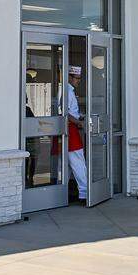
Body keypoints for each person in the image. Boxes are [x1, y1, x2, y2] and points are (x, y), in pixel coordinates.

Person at [65, 65, 86, 202]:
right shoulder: (67, 91)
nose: (79, 81)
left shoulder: (69, 91)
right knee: (78, 162)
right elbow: (65, 114)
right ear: (70, 77)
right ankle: (85, 193)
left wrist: (79, 117)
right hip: (70, 130)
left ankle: (63, 191)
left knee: (65, 164)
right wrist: (79, 122)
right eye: (77, 78)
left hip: (69, 129)